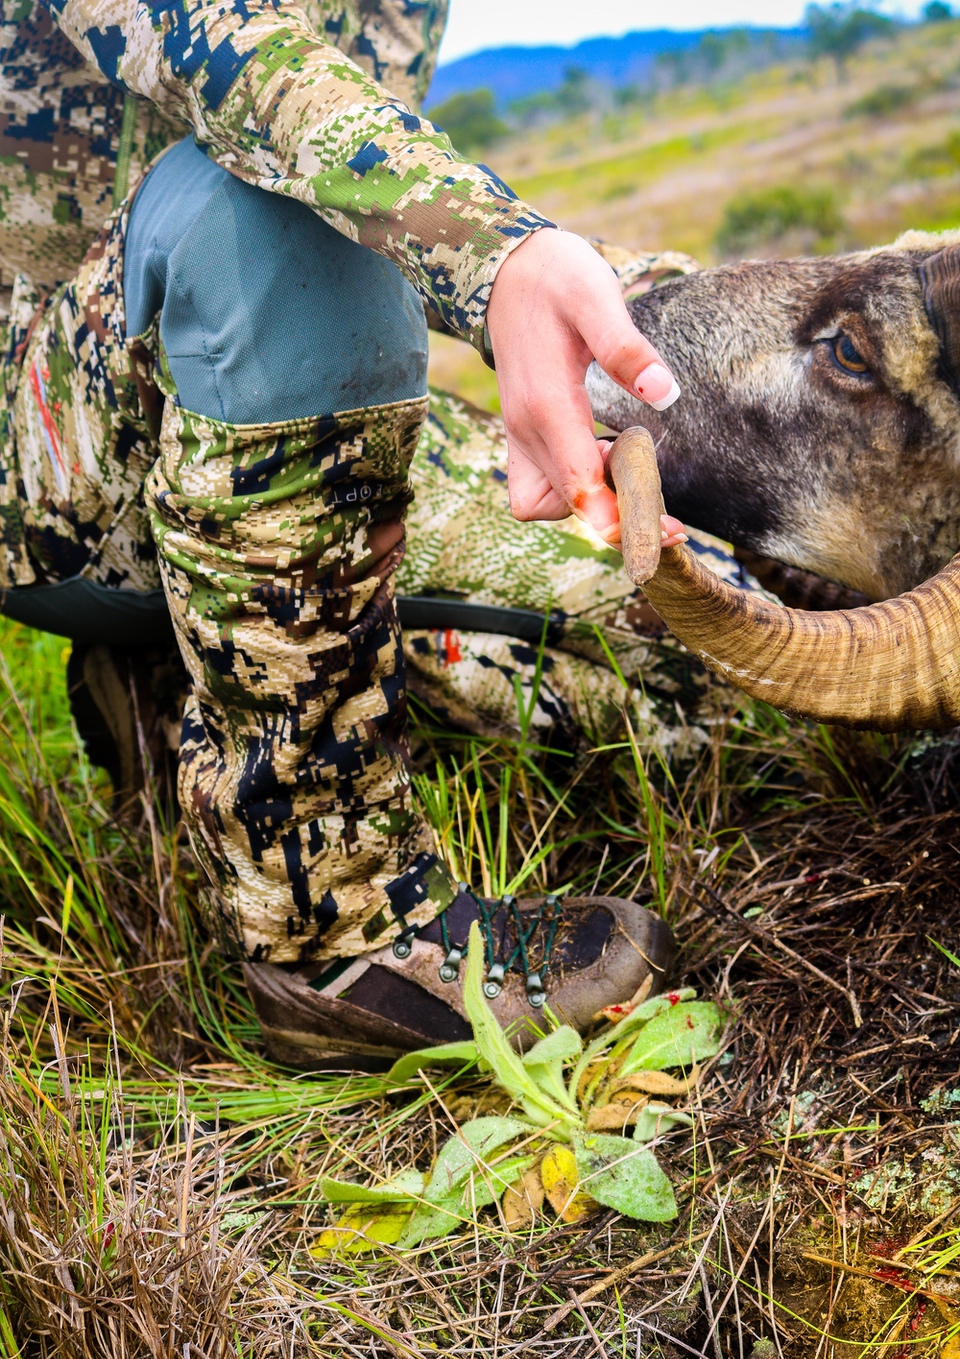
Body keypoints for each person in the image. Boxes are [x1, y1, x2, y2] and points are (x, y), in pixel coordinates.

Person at [0, 0, 684, 1067]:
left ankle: (181, 687)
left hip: (247, 419)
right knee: (254, 209)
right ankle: (343, 938)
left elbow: (378, 165)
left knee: (669, 658)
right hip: (40, 433)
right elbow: (254, 86)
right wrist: (504, 256)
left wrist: (647, 321)